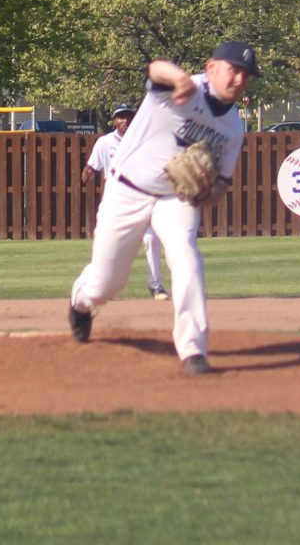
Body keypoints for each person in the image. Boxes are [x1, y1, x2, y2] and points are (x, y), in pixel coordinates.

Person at [67, 39, 258, 374]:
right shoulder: (183, 88)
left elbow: (222, 185)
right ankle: (80, 303)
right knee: (107, 282)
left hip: (175, 199)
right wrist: (179, 77)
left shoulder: (232, 127)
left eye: (246, 75)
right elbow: (156, 68)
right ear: (212, 67)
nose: (239, 79)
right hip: (127, 189)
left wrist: (207, 192)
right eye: (234, 70)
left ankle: (193, 349)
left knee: (187, 258)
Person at [81, 103, 167, 298]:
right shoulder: (104, 143)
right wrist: (87, 174)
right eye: (121, 117)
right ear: (114, 121)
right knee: (107, 245)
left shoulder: (145, 141)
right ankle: (99, 286)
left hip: (141, 199)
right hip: (115, 202)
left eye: (129, 116)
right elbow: (91, 167)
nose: (125, 120)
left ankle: (156, 286)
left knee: (151, 238)